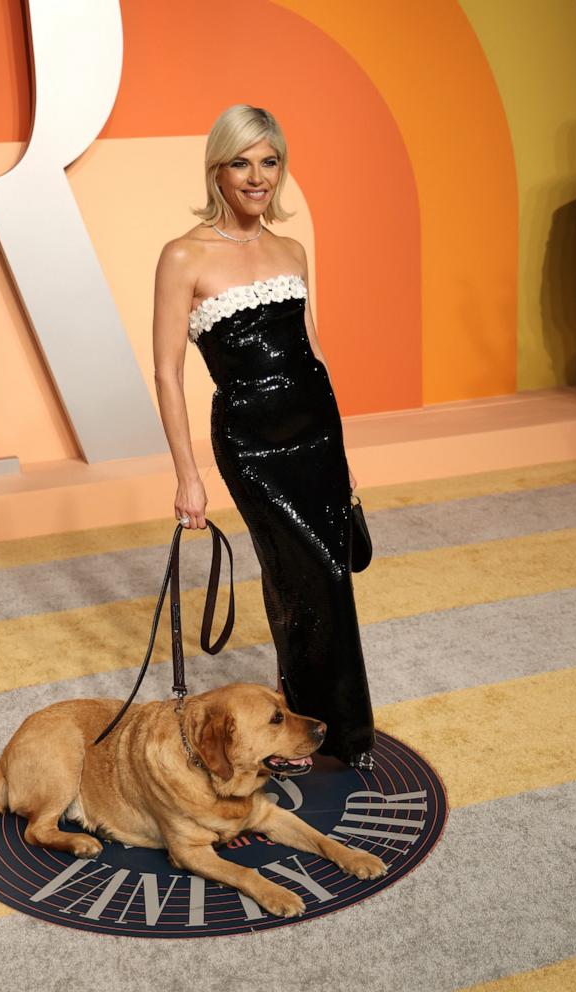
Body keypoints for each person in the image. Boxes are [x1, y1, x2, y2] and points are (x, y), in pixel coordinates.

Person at [152, 104, 375, 770]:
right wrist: (187, 475)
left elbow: (315, 353)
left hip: (316, 436)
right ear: (216, 170)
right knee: (297, 575)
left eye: (269, 161)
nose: (256, 177)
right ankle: (325, 729)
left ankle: (324, 727)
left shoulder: (292, 249)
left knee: (331, 577)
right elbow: (167, 372)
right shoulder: (183, 255)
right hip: (250, 447)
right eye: (241, 162)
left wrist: (345, 457)